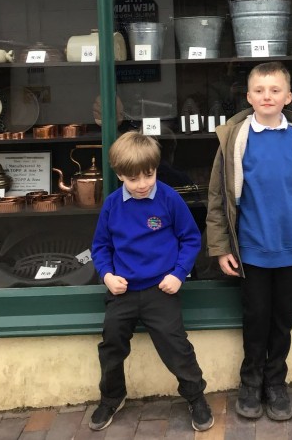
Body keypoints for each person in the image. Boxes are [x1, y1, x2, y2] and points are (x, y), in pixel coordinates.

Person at [206, 61, 292, 422]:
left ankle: (276, 383)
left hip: (291, 248)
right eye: (260, 90)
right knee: (255, 320)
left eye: (275, 90)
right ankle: (250, 383)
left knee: (283, 321)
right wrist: (221, 247)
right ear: (249, 97)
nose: (267, 96)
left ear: (288, 97)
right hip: (251, 249)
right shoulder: (236, 139)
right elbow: (218, 199)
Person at [90, 131, 214, 433]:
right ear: (120, 175)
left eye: (149, 175)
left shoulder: (169, 198)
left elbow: (190, 238)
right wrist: (107, 275)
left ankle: (195, 396)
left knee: (176, 346)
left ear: (156, 168)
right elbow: (100, 246)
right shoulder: (112, 205)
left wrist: (178, 273)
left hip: (161, 289)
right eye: (134, 179)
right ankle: (112, 397)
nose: (143, 184)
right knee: (111, 343)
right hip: (123, 290)